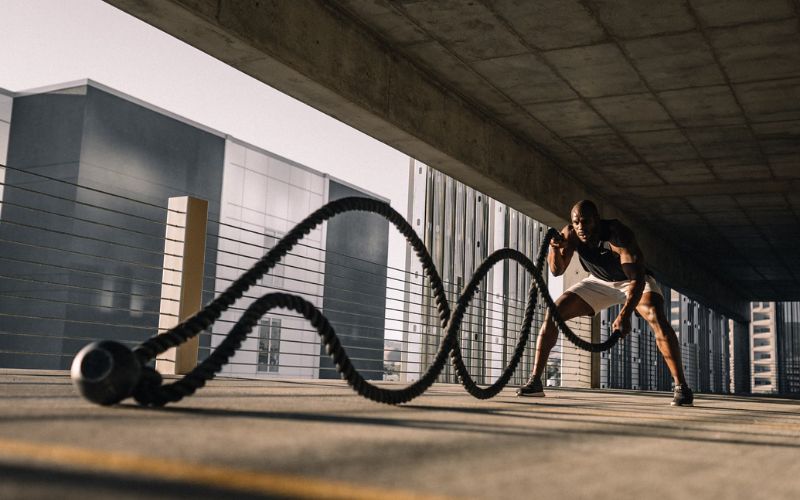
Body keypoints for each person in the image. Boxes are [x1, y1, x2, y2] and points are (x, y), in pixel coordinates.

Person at [516, 200, 693, 406]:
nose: (581, 227)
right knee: (554, 312)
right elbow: (557, 270)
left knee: (656, 316)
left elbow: (636, 280)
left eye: (585, 221)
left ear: (597, 220)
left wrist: (625, 314)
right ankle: (535, 382)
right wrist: (554, 249)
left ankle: (682, 387)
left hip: (631, 281)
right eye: (576, 222)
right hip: (598, 281)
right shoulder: (571, 234)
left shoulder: (618, 235)